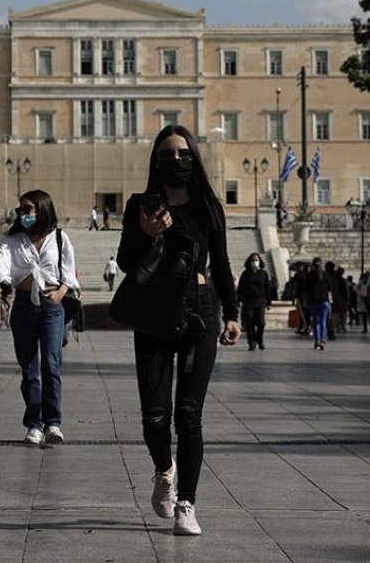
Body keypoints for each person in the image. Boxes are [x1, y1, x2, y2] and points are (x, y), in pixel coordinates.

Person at [116, 125, 240, 536]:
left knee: (189, 415)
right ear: (156, 161)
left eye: (184, 154)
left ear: (195, 158)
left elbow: (220, 265)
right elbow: (124, 263)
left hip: (200, 311)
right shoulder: (142, 205)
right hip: (154, 309)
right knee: (155, 417)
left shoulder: (208, 207)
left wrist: (234, 313)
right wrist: (147, 235)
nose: (177, 161)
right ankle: (163, 470)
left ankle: (187, 503)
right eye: (168, 154)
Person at [0, 189, 79, 446]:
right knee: (29, 368)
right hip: (24, 305)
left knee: (51, 362)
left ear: (42, 210)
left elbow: (69, 273)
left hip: (51, 305)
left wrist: (60, 293)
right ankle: (34, 423)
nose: (22, 214)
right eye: (20, 210)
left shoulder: (59, 238)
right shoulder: (13, 241)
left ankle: (53, 423)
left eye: (27, 209)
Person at [237, 252, 271, 351]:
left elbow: (267, 288)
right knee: (249, 323)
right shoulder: (246, 273)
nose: (254, 262)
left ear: (260, 261)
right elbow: (240, 287)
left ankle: (259, 339)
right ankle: (252, 342)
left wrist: (269, 302)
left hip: (261, 301)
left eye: (256, 260)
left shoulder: (263, 273)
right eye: (252, 260)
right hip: (248, 301)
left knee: (261, 322)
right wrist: (239, 300)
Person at [306, 257, 332, 350]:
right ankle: (323, 341)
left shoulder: (309, 275)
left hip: (313, 301)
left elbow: (306, 289)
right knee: (323, 321)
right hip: (324, 301)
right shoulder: (325, 275)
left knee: (315, 321)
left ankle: (317, 341)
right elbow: (329, 289)